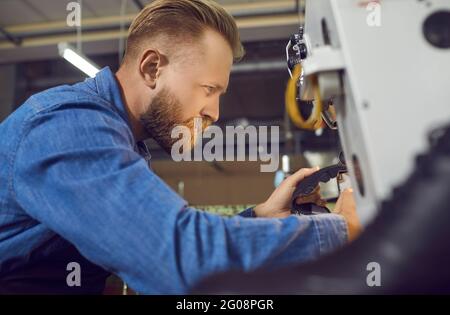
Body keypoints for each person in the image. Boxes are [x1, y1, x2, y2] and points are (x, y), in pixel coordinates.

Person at [0, 0, 360, 294]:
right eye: (208, 90)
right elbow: (180, 262)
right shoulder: (67, 126)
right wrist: (341, 229)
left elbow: (157, 243)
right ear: (152, 67)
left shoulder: (123, 138)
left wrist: (260, 217)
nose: (215, 114)